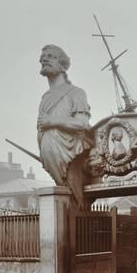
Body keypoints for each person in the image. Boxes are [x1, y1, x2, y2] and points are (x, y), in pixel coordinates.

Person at [37, 44, 92, 204]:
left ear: (63, 65)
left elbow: (83, 124)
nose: (44, 59)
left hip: (71, 156)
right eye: (43, 57)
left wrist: (52, 122)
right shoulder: (45, 97)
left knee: (75, 200)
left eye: (51, 56)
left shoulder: (76, 92)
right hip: (52, 159)